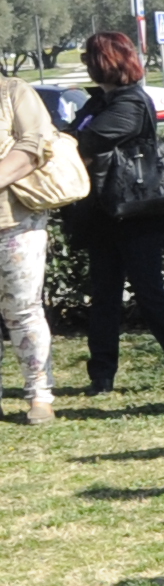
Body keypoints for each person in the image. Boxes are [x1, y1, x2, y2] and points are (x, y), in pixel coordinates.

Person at [68, 31, 164, 394]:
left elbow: (86, 142)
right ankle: (101, 376)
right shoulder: (98, 101)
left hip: (136, 213)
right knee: (104, 296)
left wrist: (64, 142)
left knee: (149, 292)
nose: (85, 64)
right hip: (102, 211)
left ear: (105, 62)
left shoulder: (130, 103)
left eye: (88, 57)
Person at [0, 73, 57, 422]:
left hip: (15, 221)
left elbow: (34, 146)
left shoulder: (13, 92)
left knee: (23, 311)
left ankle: (40, 396)